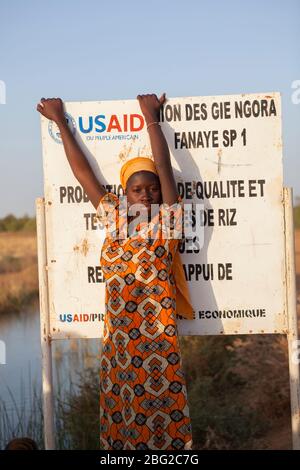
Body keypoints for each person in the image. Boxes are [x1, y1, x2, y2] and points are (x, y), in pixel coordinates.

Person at [37, 94, 194, 450]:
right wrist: (60, 122)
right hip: (120, 347)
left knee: (167, 433)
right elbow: (83, 174)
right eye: (137, 189)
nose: (147, 195)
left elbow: (165, 167)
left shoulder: (168, 224)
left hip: (159, 345)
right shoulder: (114, 218)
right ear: (124, 193)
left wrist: (150, 117)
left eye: (152, 188)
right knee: (122, 427)